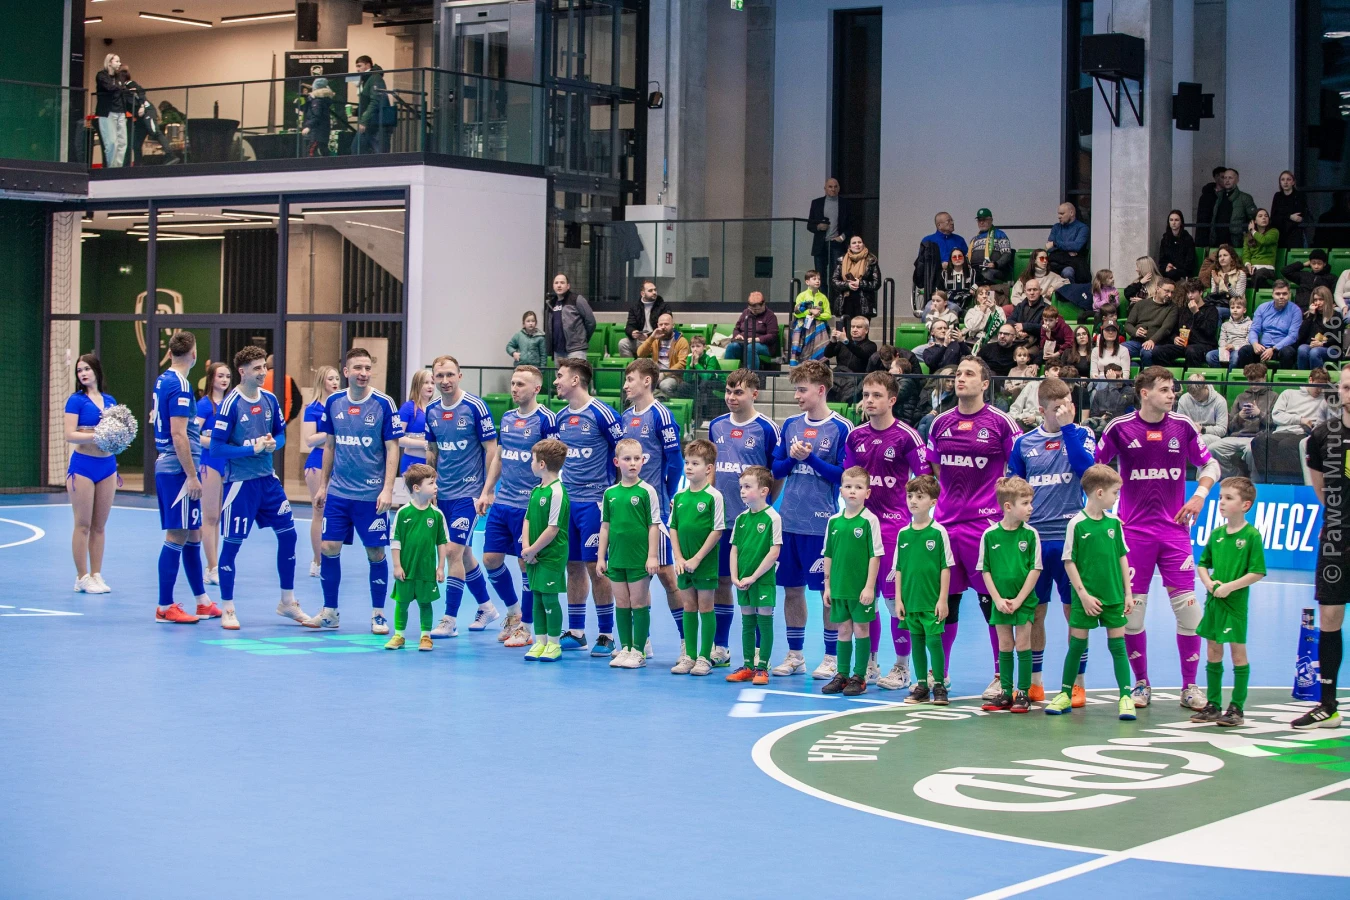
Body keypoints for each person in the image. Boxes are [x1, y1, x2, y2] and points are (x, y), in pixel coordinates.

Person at [1096, 367, 1221, 710]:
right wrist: (1104, 512)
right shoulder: (1120, 428)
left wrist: (1200, 496)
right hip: (1133, 534)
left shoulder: (1183, 425)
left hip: (1174, 532)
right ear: (1145, 393)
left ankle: (1190, 687)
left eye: (1172, 389)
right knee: (1133, 615)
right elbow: (1094, 471)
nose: (1172, 394)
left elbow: (1211, 465)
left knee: (1190, 613)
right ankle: (1141, 683)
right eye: (1165, 389)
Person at [927, 356, 1020, 700]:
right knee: (945, 603)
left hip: (985, 527)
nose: (960, 378)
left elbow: (1018, 467)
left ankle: (1000, 675)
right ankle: (940, 674)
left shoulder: (1001, 423)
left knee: (992, 603)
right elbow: (935, 470)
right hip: (946, 526)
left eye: (969, 374)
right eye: (958, 373)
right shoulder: (940, 423)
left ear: (984, 383)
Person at [1009, 377, 1097, 706]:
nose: (1065, 411)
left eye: (1069, 404)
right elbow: (1014, 489)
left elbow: (1087, 472)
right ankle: (1035, 682)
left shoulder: (1082, 434)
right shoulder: (1023, 443)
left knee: (1075, 613)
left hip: (1072, 539)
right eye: (1058, 407)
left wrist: (1069, 428)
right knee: (1035, 613)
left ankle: (1077, 682)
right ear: (1042, 409)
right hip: (1035, 540)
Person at [843, 371, 929, 689]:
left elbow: (925, 481)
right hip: (861, 529)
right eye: (866, 395)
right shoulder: (855, 436)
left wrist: (916, 521)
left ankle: (902, 667)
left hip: (894, 529)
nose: (869, 400)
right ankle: (869, 663)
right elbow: (847, 478)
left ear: (892, 400)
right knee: (865, 600)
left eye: (877, 395)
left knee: (895, 602)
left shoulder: (907, 436)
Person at [210, 346, 305, 630]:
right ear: (242, 372)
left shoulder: (270, 399)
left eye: (264, 366)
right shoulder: (230, 404)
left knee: (289, 536)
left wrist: (275, 443)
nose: (263, 372)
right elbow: (216, 448)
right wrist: (250, 449)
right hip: (240, 484)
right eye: (257, 368)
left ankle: (287, 602)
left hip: (268, 481)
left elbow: (280, 433)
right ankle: (228, 607)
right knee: (232, 545)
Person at [309, 347, 402, 632]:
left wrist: (388, 489)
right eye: (357, 368)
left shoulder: (384, 403)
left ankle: (378, 614)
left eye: (367, 368)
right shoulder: (334, 402)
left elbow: (392, 448)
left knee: (375, 552)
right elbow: (330, 445)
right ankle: (330, 612)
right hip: (339, 493)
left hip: (371, 496)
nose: (363, 373)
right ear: (346, 371)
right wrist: (323, 486)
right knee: (328, 547)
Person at [769, 360, 852, 679]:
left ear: (820, 390)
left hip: (821, 525)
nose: (797, 396)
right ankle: (795, 655)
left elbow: (843, 477)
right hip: (789, 521)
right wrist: (793, 458)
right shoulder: (790, 424)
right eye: (796, 390)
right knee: (791, 590)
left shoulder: (841, 427)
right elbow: (776, 470)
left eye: (802, 390)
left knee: (826, 593)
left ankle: (831, 657)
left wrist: (811, 458)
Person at [1043, 464, 1138, 720]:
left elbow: (1122, 557)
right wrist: (1083, 595)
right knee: (1076, 646)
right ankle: (1065, 693)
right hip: (1084, 599)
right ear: (1099, 493)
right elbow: (1069, 562)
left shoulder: (1114, 524)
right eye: (1115, 493)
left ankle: (1125, 697)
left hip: (1113, 597)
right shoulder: (1077, 524)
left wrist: (1128, 593)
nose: (1117, 498)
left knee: (1118, 646)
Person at [423, 355, 501, 639]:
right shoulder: (431, 410)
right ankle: (487, 608)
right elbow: (432, 450)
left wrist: (486, 490)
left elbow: (491, 449)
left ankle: (449, 619)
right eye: (439, 376)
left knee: (453, 552)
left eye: (449, 375)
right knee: (465, 554)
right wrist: (430, 486)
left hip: (468, 494)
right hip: (443, 492)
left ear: (459, 375)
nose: (445, 381)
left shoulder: (475, 407)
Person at [708, 370, 780, 667]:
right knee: (722, 582)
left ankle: (760, 655)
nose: (731, 397)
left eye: (738, 392)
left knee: (756, 584)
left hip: (753, 524)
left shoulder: (767, 428)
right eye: (728, 391)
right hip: (721, 520)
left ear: (754, 394)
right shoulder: (716, 425)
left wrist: (764, 506)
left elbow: (775, 474)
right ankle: (721, 648)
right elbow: (712, 469)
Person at [480, 365, 556, 647]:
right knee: (491, 560)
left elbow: (555, 463)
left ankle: (526, 627)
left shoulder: (546, 419)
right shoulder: (508, 417)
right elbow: (500, 456)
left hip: (529, 506)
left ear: (536, 388)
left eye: (521, 384)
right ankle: (514, 613)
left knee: (526, 564)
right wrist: (487, 490)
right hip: (503, 502)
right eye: (513, 383)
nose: (514, 389)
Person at [553, 358, 623, 652]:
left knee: (597, 567)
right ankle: (576, 631)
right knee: (572, 566)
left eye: (560, 376)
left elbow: (623, 454)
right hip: (568, 502)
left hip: (595, 502)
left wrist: (615, 496)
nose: (555, 381)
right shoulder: (559, 417)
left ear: (575, 380)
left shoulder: (603, 414)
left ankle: (606, 634)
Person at [1293, 376, 1350, 729]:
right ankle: (1327, 705)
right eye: (1345, 387)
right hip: (1337, 538)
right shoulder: (1323, 435)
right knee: (1330, 616)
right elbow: (1321, 489)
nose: (1348, 393)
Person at [619, 358, 685, 653]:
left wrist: (664, 497)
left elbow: (676, 462)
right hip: (627, 511)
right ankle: (641, 642)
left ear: (647, 381)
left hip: (655, 512)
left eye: (630, 379)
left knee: (668, 576)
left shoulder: (661, 415)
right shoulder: (624, 417)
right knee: (636, 579)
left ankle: (687, 641)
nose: (625, 385)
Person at [1191, 477, 1267, 726]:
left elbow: (1257, 572)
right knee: (1213, 649)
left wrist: (1229, 587)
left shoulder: (1251, 536)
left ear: (1245, 505)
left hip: (1234, 605)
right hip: (1214, 602)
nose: (1221, 502)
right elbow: (1203, 564)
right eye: (1220, 497)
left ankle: (1237, 708)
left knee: (1237, 653)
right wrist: (1208, 583)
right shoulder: (1217, 535)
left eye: (1228, 498)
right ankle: (1213, 704)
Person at [151, 332, 215, 624]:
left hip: (171, 465)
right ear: (194, 354)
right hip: (177, 469)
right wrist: (192, 476)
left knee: (194, 532)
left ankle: (202, 601)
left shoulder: (163, 379)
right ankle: (165, 606)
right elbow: (178, 434)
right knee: (177, 534)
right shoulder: (180, 384)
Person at [977, 476, 1043, 713]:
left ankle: (1022, 692)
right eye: (1025, 503)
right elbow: (985, 570)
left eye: (1030, 502)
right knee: (1005, 644)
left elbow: (1035, 569)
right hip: (1000, 602)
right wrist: (997, 599)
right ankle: (1006, 692)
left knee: (1023, 643)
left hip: (1022, 601)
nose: (1030, 508)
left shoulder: (1031, 534)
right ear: (1008, 506)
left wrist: (1018, 600)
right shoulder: (990, 535)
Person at [596, 438, 662, 669]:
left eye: (637, 459)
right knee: (622, 603)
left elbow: (653, 525)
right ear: (616, 462)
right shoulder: (610, 493)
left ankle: (639, 650)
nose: (632, 463)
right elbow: (605, 527)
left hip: (638, 558)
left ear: (643, 461)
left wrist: (652, 556)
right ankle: (625, 647)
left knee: (638, 603)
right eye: (627, 459)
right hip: (616, 558)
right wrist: (601, 557)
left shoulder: (647, 491)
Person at [819, 467, 884, 696]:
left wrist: (869, 587)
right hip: (839, 588)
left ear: (868, 492)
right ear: (841, 491)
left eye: (858, 487)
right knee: (843, 630)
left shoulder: (869, 520)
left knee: (861, 628)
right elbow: (828, 555)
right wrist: (828, 586)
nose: (853, 491)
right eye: (848, 486)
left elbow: (875, 555)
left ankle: (860, 676)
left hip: (860, 589)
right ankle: (843, 675)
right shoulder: (834, 521)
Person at [667, 439, 727, 676]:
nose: (689, 467)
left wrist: (697, 559)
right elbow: (673, 527)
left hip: (705, 563)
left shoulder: (714, 496)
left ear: (709, 468)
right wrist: (679, 558)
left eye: (695, 463)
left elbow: (717, 530)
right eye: (687, 463)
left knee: (705, 606)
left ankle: (704, 657)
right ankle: (689, 656)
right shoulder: (680, 496)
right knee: (688, 606)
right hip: (683, 563)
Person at [893, 474, 953, 706]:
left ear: (933, 502)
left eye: (920, 497)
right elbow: (899, 569)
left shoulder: (938, 532)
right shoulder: (903, 534)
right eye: (910, 496)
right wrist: (899, 600)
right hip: (910, 601)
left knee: (934, 642)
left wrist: (942, 599)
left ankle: (939, 685)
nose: (913, 501)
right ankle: (921, 686)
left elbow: (945, 568)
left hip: (931, 601)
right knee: (916, 642)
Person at [724, 466, 783, 686]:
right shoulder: (741, 519)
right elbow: (734, 550)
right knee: (747, 621)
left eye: (747, 487)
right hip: (743, 580)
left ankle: (762, 667)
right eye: (741, 487)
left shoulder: (773, 518)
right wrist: (735, 576)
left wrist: (754, 577)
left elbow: (774, 552)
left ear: (763, 491)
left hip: (763, 580)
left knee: (764, 621)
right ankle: (748, 665)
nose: (742, 491)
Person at [65, 354, 117, 594]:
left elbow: (117, 433)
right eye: (79, 370)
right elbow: (70, 434)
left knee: (99, 526)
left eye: (87, 369)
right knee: (83, 524)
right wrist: (98, 435)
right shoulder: (76, 401)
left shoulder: (110, 401)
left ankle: (96, 574)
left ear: (96, 370)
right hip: (83, 466)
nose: (83, 373)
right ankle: (81, 577)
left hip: (108, 467)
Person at [384, 464, 447, 652]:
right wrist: (397, 566)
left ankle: (425, 636)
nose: (436, 487)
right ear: (417, 488)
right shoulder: (403, 513)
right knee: (401, 602)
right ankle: (399, 635)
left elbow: (441, 543)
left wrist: (440, 567)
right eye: (431, 483)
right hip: (406, 569)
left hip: (426, 570)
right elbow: (395, 541)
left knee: (425, 603)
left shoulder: (437, 515)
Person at [520, 438, 570, 662]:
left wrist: (532, 550)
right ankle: (540, 642)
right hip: (534, 554)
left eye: (533, 460)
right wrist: (526, 548)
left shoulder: (557, 492)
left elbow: (553, 529)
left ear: (541, 464)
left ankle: (554, 644)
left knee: (549, 598)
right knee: (537, 597)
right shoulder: (536, 491)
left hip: (552, 555)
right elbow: (528, 519)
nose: (530, 463)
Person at [1250, 368, 1332, 482]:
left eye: (1323, 386)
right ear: (1310, 380)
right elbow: (1276, 416)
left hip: (1302, 433)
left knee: (1286, 445)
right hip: (1281, 431)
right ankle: (1270, 479)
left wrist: (1311, 426)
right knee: (1259, 442)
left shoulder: (1324, 400)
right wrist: (1300, 419)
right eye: (1317, 385)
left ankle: (1290, 481)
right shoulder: (1289, 393)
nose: (1319, 390)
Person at [195, 361, 232, 585]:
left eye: (227, 376)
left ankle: (213, 565)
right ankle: (212, 567)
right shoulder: (203, 405)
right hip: (209, 462)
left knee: (218, 517)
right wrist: (213, 443)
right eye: (220, 376)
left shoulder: (230, 404)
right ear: (211, 378)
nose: (224, 380)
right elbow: (192, 434)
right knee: (209, 516)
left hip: (226, 462)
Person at [302, 366, 340, 576]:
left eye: (337, 378)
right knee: (319, 511)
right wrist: (331, 432)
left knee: (333, 513)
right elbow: (309, 440)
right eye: (330, 379)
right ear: (321, 382)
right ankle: (317, 561)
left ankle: (330, 556)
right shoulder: (313, 408)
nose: (335, 382)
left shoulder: (341, 406)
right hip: (318, 462)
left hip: (339, 463)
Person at [1208, 363, 1274, 478]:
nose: (1254, 386)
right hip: (1237, 436)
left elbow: (1273, 423)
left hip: (1259, 437)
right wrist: (1239, 417)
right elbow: (1230, 427)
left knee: (1252, 450)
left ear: (1264, 378)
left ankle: (1255, 479)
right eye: (1251, 382)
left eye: (1257, 382)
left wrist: (1259, 414)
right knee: (1213, 448)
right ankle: (1235, 476)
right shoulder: (1241, 397)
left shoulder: (1273, 396)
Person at [1236, 280, 1301, 370]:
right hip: (1263, 347)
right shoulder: (1262, 308)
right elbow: (1254, 330)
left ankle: (1282, 379)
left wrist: (1274, 349)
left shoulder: (1295, 310)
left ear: (1289, 294)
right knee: (1244, 351)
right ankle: (1248, 377)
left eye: (1284, 294)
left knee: (1287, 353)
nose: (1281, 297)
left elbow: (1293, 336)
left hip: (1282, 348)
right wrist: (1255, 344)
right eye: (1278, 294)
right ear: (1272, 294)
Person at [1153, 279, 1219, 368]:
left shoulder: (1211, 310)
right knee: (1158, 351)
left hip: (1204, 345)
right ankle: (1172, 374)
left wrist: (1196, 313)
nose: (1190, 295)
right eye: (1188, 292)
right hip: (1184, 345)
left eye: (1193, 292)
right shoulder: (1183, 310)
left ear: (1201, 292)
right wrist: (1174, 338)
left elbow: (1209, 331)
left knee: (1191, 350)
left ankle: (1192, 377)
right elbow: (1173, 329)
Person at [394, 369, 433, 506]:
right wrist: (423, 444)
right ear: (417, 385)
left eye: (432, 383)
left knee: (429, 506)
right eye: (425, 383)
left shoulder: (436, 407)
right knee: (414, 505)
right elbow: (397, 438)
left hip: (431, 464)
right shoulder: (408, 408)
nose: (430, 386)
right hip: (413, 463)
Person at [807, 178, 852, 294]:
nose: (833, 189)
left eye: (835, 187)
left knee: (836, 275)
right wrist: (818, 227)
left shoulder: (845, 204)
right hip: (820, 244)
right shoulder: (816, 203)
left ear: (839, 188)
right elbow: (809, 225)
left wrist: (841, 237)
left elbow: (851, 225)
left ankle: (835, 302)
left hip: (836, 244)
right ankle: (822, 301)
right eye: (830, 187)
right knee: (819, 277)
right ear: (825, 188)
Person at [1124, 277, 1178, 366]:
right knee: (1120, 350)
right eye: (1167, 291)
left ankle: (1148, 374)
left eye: (1172, 292)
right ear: (1157, 288)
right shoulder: (1141, 304)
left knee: (1146, 352)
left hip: (1157, 343)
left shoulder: (1172, 308)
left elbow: (1166, 328)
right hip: (1137, 342)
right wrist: (1135, 332)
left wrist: (1152, 340)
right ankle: (1133, 368)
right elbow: (1128, 324)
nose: (1170, 295)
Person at [543, 273, 596, 361]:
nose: (559, 285)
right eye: (556, 283)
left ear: (568, 286)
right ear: (553, 286)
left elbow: (591, 322)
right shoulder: (551, 303)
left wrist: (581, 339)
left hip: (576, 350)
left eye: (562, 283)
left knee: (577, 371)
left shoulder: (577, 299)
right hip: (558, 351)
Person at [823, 315, 877, 402]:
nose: (854, 329)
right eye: (852, 326)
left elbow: (861, 354)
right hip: (839, 378)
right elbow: (827, 354)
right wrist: (833, 341)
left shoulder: (871, 345)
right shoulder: (842, 344)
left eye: (859, 327)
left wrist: (846, 341)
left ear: (866, 330)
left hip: (856, 381)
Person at [636, 313, 689, 394]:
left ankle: (664, 400)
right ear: (657, 325)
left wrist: (664, 374)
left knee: (665, 385)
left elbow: (682, 363)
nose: (663, 327)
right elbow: (640, 353)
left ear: (673, 325)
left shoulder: (681, 341)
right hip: (656, 374)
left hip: (674, 376)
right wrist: (651, 337)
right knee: (639, 383)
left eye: (666, 324)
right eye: (661, 324)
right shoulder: (655, 340)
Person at [723, 291, 780, 367]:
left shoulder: (770, 316)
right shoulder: (746, 312)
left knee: (751, 347)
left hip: (764, 345)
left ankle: (751, 373)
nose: (753, 311)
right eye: (751, 309)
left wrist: (756, 339)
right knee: (731, 347)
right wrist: (737, 336)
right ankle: (729, 373)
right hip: (744, 342)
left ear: (763, 305)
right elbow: (737, 328)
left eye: (756, 309)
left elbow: (772, 336)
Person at [618, 280, 673, 358]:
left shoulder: (664, 306)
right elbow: (629, 326)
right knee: (623, 343)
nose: (654, 292)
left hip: (657, 340)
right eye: (650, 290)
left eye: (655, 290)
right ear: (642, 294)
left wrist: (649, 336)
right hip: (640, 340)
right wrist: (633, 332)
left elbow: (666, 329)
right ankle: (631, 365)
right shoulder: (635, 308)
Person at [354, 55, 395, 154]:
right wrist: (356, 112)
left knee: (359, 149)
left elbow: (375, 101)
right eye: (357, 66)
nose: (357, 69)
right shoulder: (370, 79)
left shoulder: (374, 78)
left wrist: (364, 120)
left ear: (368, 65)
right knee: (359, 149)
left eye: (359, 66)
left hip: (376, 123)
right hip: (373, 122)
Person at [833, 235, 881, 320]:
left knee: (861, 327)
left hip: (864, 303)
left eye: (859, 242)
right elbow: (834, 281)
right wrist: (848, 285)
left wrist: (860, 283)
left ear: (863, 244)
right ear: (849, 246)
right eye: (854, 243)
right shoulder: (841, 260)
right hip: (846, 301)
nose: (857, 245)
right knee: (847, 328)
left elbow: (876, 283)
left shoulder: (871, 260)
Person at [95, 54, 129, 168]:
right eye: (117, 61)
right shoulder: (101, 75)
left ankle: (118, 167)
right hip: (108, 112)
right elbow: (109, 87)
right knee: (112, 142)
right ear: (109, 62)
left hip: (121, 112)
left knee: (123, 142)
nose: (119, 63)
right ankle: (111, 167)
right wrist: (121, 88)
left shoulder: (120, 76)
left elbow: (121, 88)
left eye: (119, 61)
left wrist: (121, 88)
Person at [1176, 374, 1228, 449]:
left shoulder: (1220, 401)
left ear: (1205, 387)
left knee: (1199, 441)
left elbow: (1222, 430)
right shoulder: (1184, 399)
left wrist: (1202, 429)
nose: (1195, 397)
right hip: (1190, 435)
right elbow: (1179, 425)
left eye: (1198, 394)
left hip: (1211, 436)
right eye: (1192, 395)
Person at [790, 277, 832, 367]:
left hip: (819, 328)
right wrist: (810, 311)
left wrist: (818, 315)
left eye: (819, 279)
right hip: (804, 328)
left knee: (821, 350)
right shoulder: (802, 296)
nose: (817, 281)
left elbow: (828, 315)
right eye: (814, 279)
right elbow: (797, 313)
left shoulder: (823, 297)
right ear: (807, 282)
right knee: (803, 351)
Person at [1046, 202, 1089, 283]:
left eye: (1062, 214)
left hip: (1072, 264)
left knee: (1067, 273)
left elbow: (1077, 246)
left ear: (1071, 213)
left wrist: (1055, 244)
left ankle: (1070, 291)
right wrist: (1068, 248)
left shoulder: (1082, 228)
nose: (1059, 216)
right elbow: (1049, 248)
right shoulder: (1056, 227)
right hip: (1055, 262)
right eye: (1058, 214)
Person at [969, 208, 1013, 285]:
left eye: (984, 220)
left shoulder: (1000, 235)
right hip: (975, 269)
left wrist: (995, 264)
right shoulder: (974, 239)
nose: (981, 222)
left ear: (991, 220)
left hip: (995, 269)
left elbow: (1007, 254)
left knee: (986, 273)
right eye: (979, 220)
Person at [1087, 363, 1133, 436]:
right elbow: (1093, 416)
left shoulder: (1128, 390)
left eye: (1121, 376)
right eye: (1117, 377)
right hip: (1103, 429)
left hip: (1122, 429)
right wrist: (1101, 419)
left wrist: (1112, 383)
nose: (1121, 379)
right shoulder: (1099, 394)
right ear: (1107, 378)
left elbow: (1119, 404)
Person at [1298, 287, 1338, 369]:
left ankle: (1317, 376)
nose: (1318, 303)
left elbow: (1336, 338)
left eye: (1321, 299)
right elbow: (1301, 336)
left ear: (1327, 300)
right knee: (1302, 349)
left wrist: (1322, 343)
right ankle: (1304, 376)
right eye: (1315, 300)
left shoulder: (1335, 316)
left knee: (1315, 352)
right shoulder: (1310, 315)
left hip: (1331, 348)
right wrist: (1311, 315)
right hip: (1312, 346)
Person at [1208, 293, 1252, 369]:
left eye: (1238, 307)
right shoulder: (1225, 325)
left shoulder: (1250, 324)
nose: (1235, 310)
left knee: (1235, 356)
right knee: (1210, 356)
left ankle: (1229, 375)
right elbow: (1222, 339)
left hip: (1239, 350)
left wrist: (1234, 347)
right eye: (1232, 308)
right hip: (1226, 349)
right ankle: (1223, 372)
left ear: (1244, 310)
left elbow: (1248, 342)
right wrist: (1224, 347)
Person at [299, 77, 339, 157]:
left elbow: (316, 115)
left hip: (317, 131)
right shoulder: (322, 100)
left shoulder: (317, 101)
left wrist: (308, 127)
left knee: (311, 152)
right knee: (322, 150)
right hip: (321, 130)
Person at [1008, 279, 1052, 353]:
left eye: (1035, 290)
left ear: (1040, 291)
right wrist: (1018, 331)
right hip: (1018, 339)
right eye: (1029, 290)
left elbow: (1044, 327)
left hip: (1036, 343)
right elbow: (1009, 321)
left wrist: (1024, 327)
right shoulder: (1019, 306)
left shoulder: (1047, 308)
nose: (1032, 293)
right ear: (1025, 292)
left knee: (1021, 354)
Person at [1218, 168, 1257, 248]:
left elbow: (1253, 218)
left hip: (1236, 240)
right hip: (1218, 239)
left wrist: (1244, 233)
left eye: (1230, 178)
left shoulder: (1245, 198)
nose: (1227, 180)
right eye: (1225, 178)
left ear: (1237, 180)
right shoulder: (1218, 197)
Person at [1271, 170, 1310, 248]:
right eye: (1283, 180)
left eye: (1288, 179)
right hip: (1280, 232)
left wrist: (1283, 215)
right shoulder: (1277, 196)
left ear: (1293, 182)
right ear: (1280, 183)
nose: (1285, 182)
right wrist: (1289, 216)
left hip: (1295, 233)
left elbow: (1299, 216)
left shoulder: (1299, 196)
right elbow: (1274, 216)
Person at [1243, 209, 1280, 289]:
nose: (1264, 218)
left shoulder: (1274, 232)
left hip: (1267, 269)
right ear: (1254, 221)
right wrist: (1248, 265)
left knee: (1259, 275)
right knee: (1237, 275)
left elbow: (1264, 241)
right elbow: (1246, 255)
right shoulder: (1248, 237)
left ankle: (1254, 294)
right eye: (1260, 216)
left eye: (1266, 216)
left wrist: (1253, 231)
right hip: (1253, 268)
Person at [962, 284, 1005, 351]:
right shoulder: (971, 311)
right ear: (977, 298)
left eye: (987, 293)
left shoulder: (999, 309)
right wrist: (981, 312)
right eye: (981, 294)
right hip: (975, 341)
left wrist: (993, 311)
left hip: (994, 340)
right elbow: (972, 327)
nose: (984, 296)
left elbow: (1002, 326)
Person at [1158, 210, 1197, 280]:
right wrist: (1167, 266)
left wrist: (1176, 268)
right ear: (1168, 222)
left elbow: (1190, 261)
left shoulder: (1188, 239)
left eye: (1176, 220)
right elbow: (1162, 260)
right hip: (1168, 271)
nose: (1173, 223)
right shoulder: (1165, 239)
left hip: (1184, 272)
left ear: (1181, 222)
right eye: (1171, 220)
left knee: (1172, 274)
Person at [1195, 165, 1227, 247]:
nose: (1225, 180)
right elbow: (1201, 219)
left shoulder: (1228, 196)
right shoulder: (1206, 196)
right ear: (1216, 178)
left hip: (1222, 235)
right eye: (1223, 177)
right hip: (1207, 235)